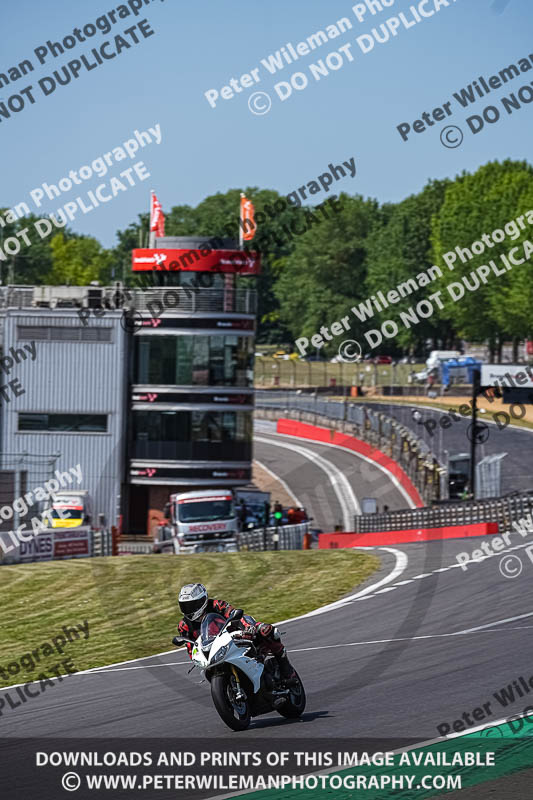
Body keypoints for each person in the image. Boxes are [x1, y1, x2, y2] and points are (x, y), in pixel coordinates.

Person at [176, 583, 297, 684]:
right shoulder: (184, 625)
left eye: (192, 605)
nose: (189, 609)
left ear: (202, 601)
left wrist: (248, 627)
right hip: (212, 652)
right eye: (185, 606)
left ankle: (286, 669)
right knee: (208, 672)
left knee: (268, 631)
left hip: (235, 637)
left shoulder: (217, 605)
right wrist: (197, 660)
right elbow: (191, 649)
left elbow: (236, 614)